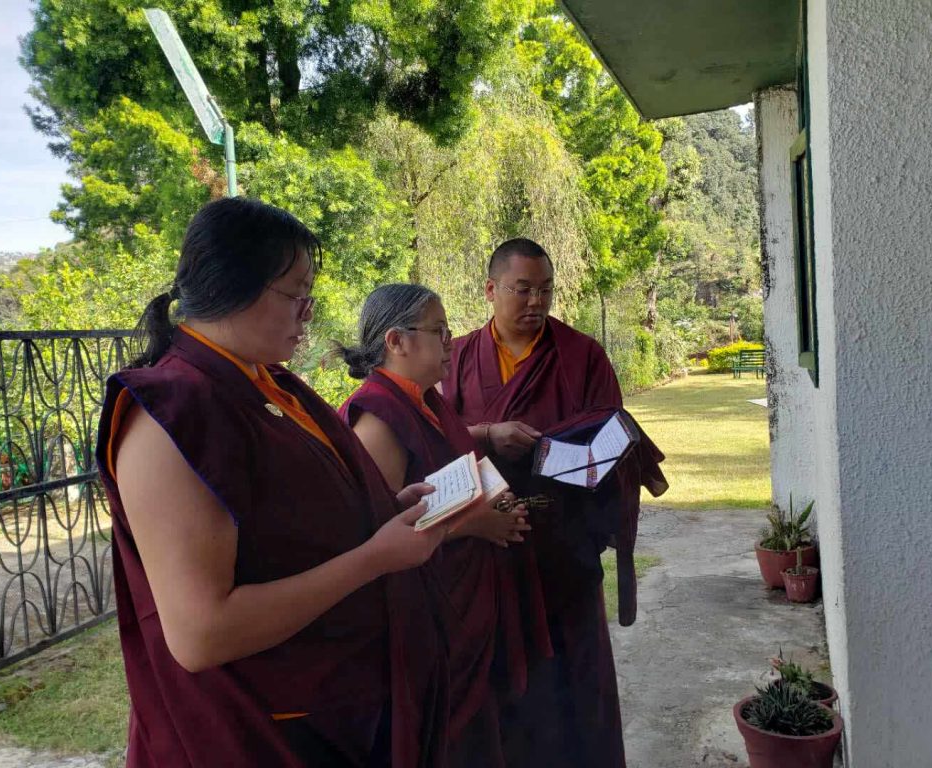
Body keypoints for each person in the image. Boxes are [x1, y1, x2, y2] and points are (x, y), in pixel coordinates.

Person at [95, 198, 450, 767]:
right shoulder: (172, 409)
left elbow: (293, 516)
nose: (307, 312)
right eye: (296, 293)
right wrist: (375, 558)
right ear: (234, 285)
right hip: (264, 728)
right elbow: (201, 634)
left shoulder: (269, 382)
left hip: (342, 702)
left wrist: (381, 508)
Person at [442, 237, 668, 768]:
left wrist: (559, 459)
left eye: (545, 290)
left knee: (574, 685)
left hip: (564, 551)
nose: (535, 303)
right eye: (522, 290)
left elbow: (614, 443)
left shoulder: (581, 355)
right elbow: (434, 438)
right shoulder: (456, 357)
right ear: (491, 289)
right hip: (486, 555)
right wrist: (488, 434)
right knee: (497, 691)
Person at [336, 284, 533, 767]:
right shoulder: (378, 417)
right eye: (439, 330)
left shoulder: (425, 400)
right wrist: (475, 524)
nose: (450, 341)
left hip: (461, 607)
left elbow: (454, 472)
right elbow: (377, 535)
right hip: (424, 617)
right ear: (396, 342)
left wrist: (496, 502)